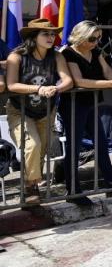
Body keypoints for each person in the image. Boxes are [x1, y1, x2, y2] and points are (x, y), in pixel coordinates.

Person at [60, 21, 112, 203]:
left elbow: (108, 72)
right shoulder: (67, 53)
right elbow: (78, 81)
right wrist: (110, 84)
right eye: (92, 38)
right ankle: (73, 190)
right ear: (80, 36)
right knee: (73, 147)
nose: (96, 42)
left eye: (98, 38)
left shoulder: (96, 52)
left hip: (92, 102)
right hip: (73, 104)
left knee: (101, 142)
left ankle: (110, 183)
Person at [5, 19, 74, 204]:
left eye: (53, 34)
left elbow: (68, 80)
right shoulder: (17, 56)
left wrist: (56, 88)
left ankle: (33, 185)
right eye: (46, 34)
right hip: (20, 110)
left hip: (46, 110)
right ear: (33, 37)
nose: (51, 37)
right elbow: (11, 84)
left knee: (41, 150)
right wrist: (38, 89)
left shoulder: (57, 56)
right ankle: (30, 187)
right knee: (32, 145)